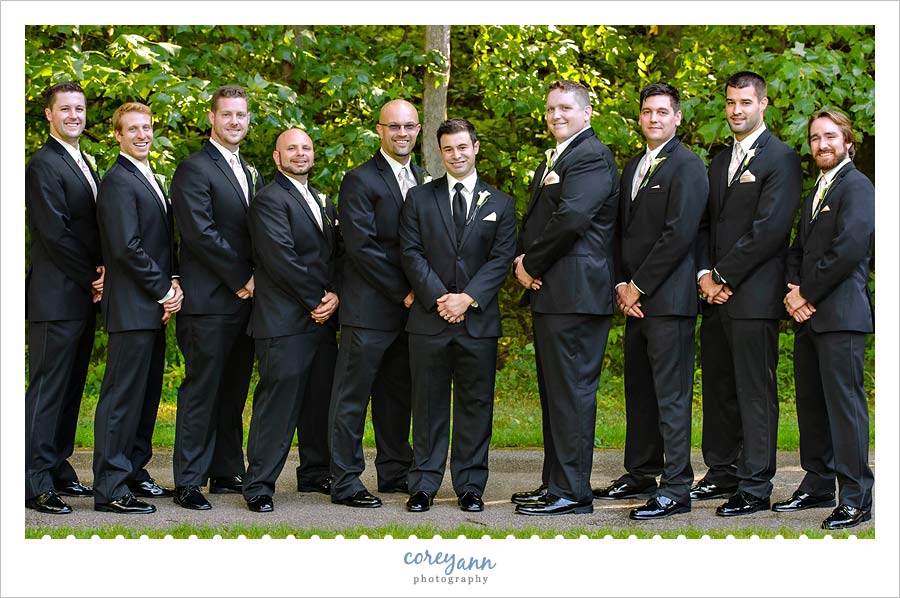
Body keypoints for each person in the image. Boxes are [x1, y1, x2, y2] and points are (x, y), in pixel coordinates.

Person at [593, 83, 708, 520]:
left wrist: (637, 285)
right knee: (639, 392)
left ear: (677, 117)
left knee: (671, 396)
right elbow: (622, 233)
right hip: (634, 300)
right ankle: (641, 471)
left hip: (670, 301)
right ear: (639, 118)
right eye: (647, 112)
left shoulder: (688, 166)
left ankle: (676, 487)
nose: (654, 118)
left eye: (663, 112)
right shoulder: (633, 166)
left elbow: (679, 234)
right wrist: (621, 284)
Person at [693, 71, 802, 516]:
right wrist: (703, 274)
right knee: (719, 387)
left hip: (754, 298)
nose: (736, 110)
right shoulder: (719, 161)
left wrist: (722, 275)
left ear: (763, 104)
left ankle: (755, 485)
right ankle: (721, 471)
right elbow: (705, 225)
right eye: (731, 102)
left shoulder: (782, 158)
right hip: (714, 295)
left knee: (755, 392)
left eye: (745, 102)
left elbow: (769, 231)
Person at [512, 80, 620, 516]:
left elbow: (572, 217)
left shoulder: (591, 155)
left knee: (572, 393)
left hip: (576, 292)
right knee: (556, 392)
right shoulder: (560, 155)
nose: (556, 115)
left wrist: (530, 264)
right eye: (551, 109)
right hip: (557, 293)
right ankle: (554, 481)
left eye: (565, 108)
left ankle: (573, 492)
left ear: (587, 113)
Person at [399, 118, 517, 513]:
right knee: (427, 403)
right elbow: (410, 253)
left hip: (477, 321)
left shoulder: (500, 203)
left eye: (462, 147)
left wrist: (466, 299)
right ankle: (424, 483)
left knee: (475, 404)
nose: (456, 155)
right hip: (429, 320)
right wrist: (439, 298)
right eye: (448, 149)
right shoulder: (419, 199)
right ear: (439, 152)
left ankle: (470, 485)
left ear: (476, 147)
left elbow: (501, 259)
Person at [776, 109, 874, 530]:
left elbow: (849, 249)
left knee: (845, 409)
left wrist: (807, 294)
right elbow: (798, 248)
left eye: (830, 136)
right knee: (812, 407)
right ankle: (818, 483)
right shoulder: (816, 189)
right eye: (815, 138)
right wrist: (792, 291)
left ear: (848, 141)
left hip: (840, 315)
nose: (822, 144)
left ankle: (856, 498)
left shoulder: (858, 187)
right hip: (808, 316)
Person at [329, 99, 428, 508]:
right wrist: (406, 292)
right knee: (352, 397)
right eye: (394, 127)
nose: (401, 133)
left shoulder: (422, 178)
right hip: (369, 309)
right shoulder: (359, 180)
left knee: (396, 396)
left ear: (418, 130)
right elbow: (362, 248)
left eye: (408, 127)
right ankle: (346, 480)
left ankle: (394, 471)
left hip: (410, 314)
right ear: (380, 130)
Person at [169, 85, 264, 510]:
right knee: (201, 391)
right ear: (212, 118)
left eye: (241, 115)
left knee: (234, 391)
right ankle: (188, 480)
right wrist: (243, 278)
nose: (234, 122)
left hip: (246, 305)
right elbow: (199, 234)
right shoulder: (194, 169)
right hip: (208, 301)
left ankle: (226, 470)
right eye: (226, 115)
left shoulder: (252, 172)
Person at [242, 128, 341, 513]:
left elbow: (336, 256)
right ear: (277, 157)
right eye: (292, 149)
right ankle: (260, 484)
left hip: (321, 320)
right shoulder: (268, 199)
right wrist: (317, 298)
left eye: (306, 148)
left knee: (320, 400)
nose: (300, 154)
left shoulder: (321, 199)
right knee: (277, 404)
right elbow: (280, 257)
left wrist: (336, 295)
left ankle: (315, 471)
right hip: (283, 321)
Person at [93, 102, 181, 514]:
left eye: (146, 128)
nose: (142, 135)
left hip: (151, 306)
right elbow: (126, 249)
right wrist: (164, 290)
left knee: (146, 396)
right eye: (133, 130)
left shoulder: (149, 177)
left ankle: (133, 470)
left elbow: (162, 240)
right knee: (121, 398)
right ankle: (110, 487)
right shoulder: (117, 180)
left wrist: (173, 283)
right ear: (118, 135)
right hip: (131, 306)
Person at [25, 81, 103, 514]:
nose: (74, 115)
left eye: (80, 107)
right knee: (47, 389)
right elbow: (55, 234)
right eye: (65, 109)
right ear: (49, 116)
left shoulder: (83, 160)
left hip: (80, 297)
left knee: (71, 386)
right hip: (56, 296)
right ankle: (32, 481)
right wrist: (94, 274)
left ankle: (56, 466)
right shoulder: (42, 165)